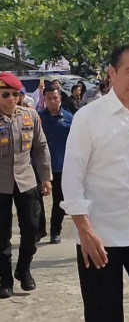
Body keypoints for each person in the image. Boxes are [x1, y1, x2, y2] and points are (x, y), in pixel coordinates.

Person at [61, 45, 129, 321]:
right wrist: (85, 231)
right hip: (100, 233)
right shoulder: (88, 117)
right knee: (103, 311)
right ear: (112, 73)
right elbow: (72, 177)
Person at [0, 73, 52, 299]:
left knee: (32, 229)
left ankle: (24, 269)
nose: (12, 99)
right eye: (5, 95)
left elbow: (40, 147)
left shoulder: (30, 116)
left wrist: (46, 178)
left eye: (15, 94)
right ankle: (5, 279)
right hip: (0, 184)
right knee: (1, 236)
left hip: (26, 180)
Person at [38, 85, 73, 244]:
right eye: (49, 98)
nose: (52, 101)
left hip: (61, 166)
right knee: (36, 202)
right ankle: (39, 230)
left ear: (60, 99)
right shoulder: (38, 118)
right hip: (39, 166)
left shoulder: (68, 118)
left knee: (59, 201)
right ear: (44, 99)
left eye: (55, 98)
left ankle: (55, 232)